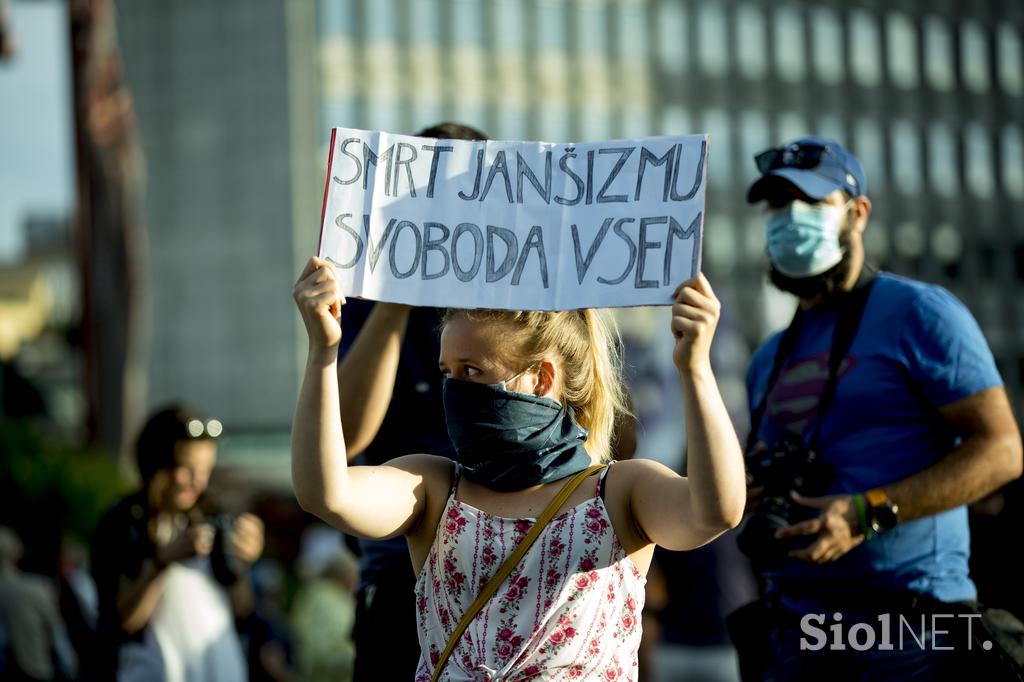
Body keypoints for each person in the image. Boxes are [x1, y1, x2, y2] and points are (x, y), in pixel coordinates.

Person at [291, 241, 746, 679]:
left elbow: (715, 510)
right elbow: (327, 492)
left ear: (542, 378)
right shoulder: (432, 486)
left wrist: (695, 369)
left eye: (473, 371)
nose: (455, 390)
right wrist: (323, 352)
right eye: (447, 373)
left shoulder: (620, 492)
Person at [736, 136, 1023, 680]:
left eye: (812, 202)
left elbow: (1004, 451)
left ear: (858, 213)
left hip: (913, 634)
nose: (789, 218)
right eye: (777, 205)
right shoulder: (767, 359)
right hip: (795, 638)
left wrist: (868, 513)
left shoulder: (922, 313)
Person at [335, 121, 488, 680]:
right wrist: (399, 291)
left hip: (513, 536)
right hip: (399, 552)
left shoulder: (525, 307)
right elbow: (348, 436)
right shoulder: (370, 298)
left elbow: (616, 439)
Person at [90, 405, 266, 682]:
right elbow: (121, 622)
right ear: (156, 465)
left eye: (205, 470)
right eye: (187, 469)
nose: (198, 483)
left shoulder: (213, 516)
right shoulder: (123, 522)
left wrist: (242, 562)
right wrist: (162, 563)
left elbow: (242, 609)